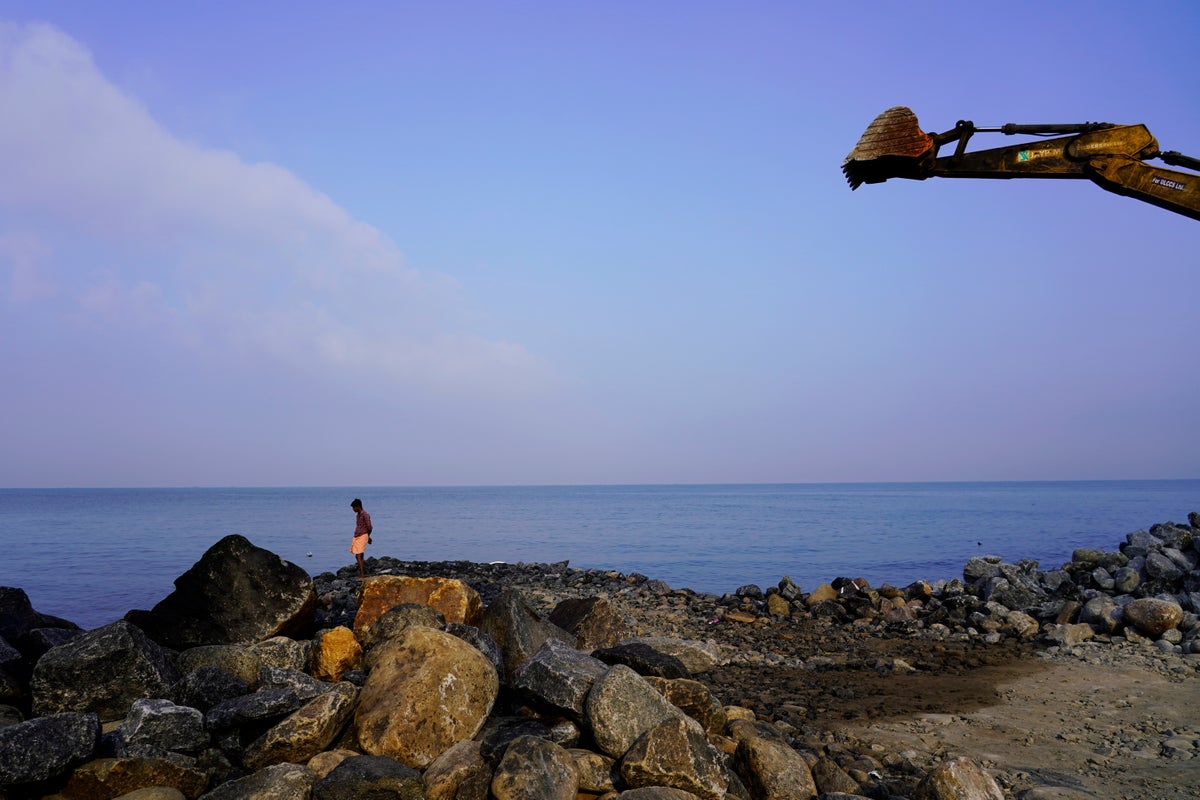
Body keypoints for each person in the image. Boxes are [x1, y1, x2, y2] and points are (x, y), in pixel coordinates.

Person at [349, 498, 373, 579]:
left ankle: (362, 575)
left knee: (358, 555)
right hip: (357, 536)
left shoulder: (365, 514)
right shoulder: (358, 515)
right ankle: (362, 574)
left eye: (354, 507)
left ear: (358, 506)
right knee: (360, 555)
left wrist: (367, 536)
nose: (353, 509)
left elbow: (369, 527)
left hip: (362, 535)